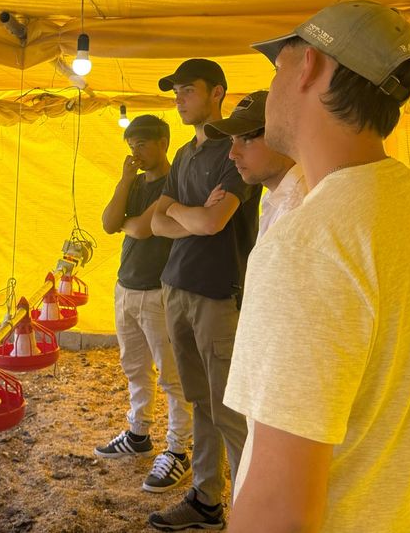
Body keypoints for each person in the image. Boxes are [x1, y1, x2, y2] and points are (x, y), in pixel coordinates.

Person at [225, 0, 410, 532]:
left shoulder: (309, 244)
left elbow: (276, 512)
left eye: (278, 67)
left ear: (310, 65)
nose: (271, 88)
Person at [147, 59, 261, 531]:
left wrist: (180, 214)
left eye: (187, 90)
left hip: (217, 292)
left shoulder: (235, 151)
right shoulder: (184, 157)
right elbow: (156, 223)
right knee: (201, 400)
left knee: (229, 409)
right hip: (177, 285)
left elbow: (215, 223)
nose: (179, 97)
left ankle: (251, 512)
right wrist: (182, 211)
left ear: (217, 93)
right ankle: (207, 499)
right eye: (175, 91)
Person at [96, 114, 194, 493]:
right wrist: (123, 180)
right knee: (134, 366)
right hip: (126, 287)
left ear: (163, 142)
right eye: (131, 145)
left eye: (142, 144)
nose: (135, 152)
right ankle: (139, 433)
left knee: (171, 375)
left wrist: (128, 221)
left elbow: (140, 228)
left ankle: (178, 449)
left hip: (159, 291)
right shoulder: (134, 183)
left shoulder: (175, 184)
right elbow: (108, 223)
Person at [203, 90, 305, 239]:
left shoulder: (298, 206)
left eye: (246, 139)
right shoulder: (275, 198)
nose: (232, 154)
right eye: (232, 140)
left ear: (284, 135)